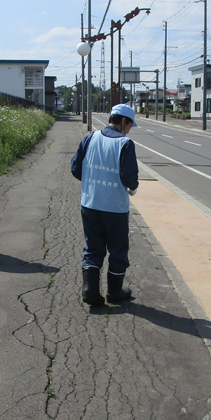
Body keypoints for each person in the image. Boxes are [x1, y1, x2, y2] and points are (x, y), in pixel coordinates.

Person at [70, 104, 139, 306]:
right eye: (130, 125)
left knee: (93, 247)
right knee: (117, 249)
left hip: (90, 203)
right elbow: (129, 177)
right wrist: (133, 187)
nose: (129, 130)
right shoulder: (125, 144)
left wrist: (92, 181)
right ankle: (114, 292)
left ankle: (90, 290)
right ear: (124, 121)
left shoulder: (90, 138)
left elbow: (75, 168)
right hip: (114, 208)